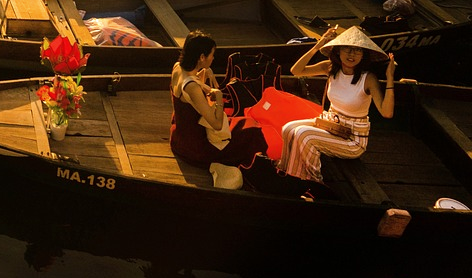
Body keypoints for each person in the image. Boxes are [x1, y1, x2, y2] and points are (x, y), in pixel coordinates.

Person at [277, 25, 396, 184]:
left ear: (363, 55)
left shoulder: (368, 78)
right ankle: (287, 171)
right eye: (347, 48)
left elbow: (386, 113)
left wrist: (390, 77)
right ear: (338, 51)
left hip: (352, 140)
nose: (351, 54)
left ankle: (313, 180)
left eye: (357, 50)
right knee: (288, 128)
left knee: (304, 134)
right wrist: (319, 45)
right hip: (330, 124)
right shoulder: (330, 68)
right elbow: (296, 71)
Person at [170, 31, 268, 184]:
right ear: (202, 57)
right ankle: (256, 172)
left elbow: (190, 92)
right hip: (195, 146)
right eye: (211, 55)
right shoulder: (192, 87)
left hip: (180, 134)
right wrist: (220, 97)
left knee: (240, 123)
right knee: (252, 130)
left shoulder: (177, 67)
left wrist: (204, 71)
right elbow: (216, 124)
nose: (213, 58)